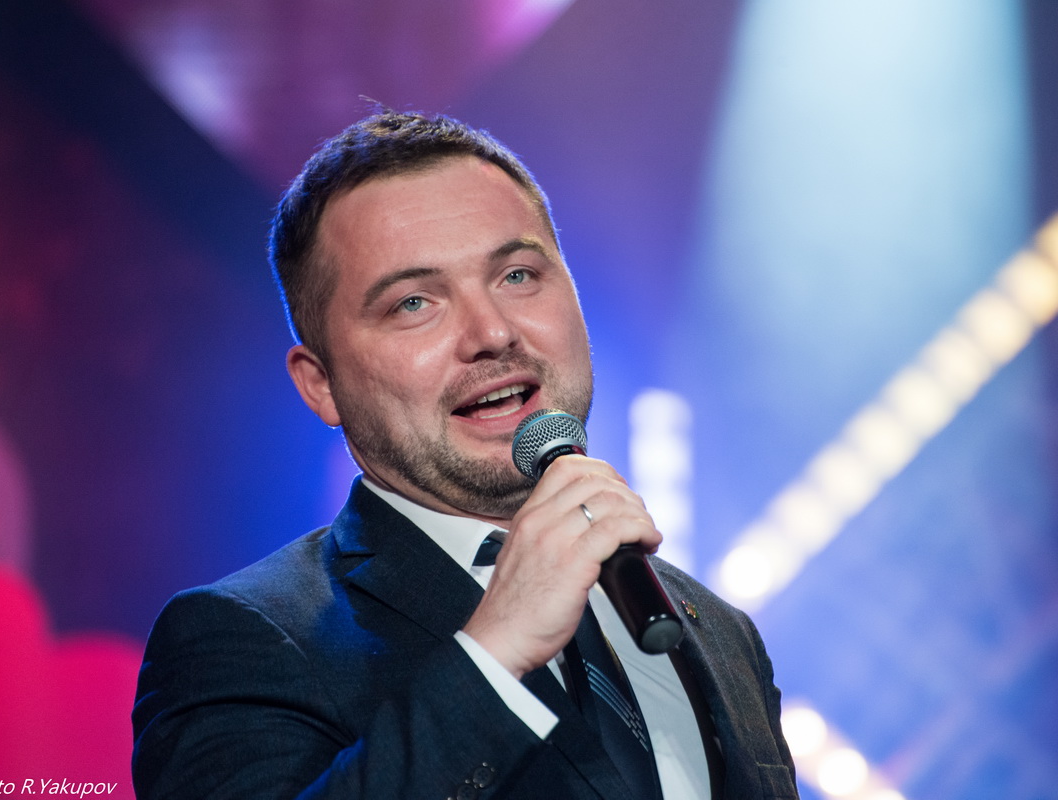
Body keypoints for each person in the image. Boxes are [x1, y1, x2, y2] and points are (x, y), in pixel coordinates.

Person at [131, 108, 799, 800]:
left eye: (517, 275)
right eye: (414, 303)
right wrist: (495, 653)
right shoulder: (242, 639)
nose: (492, 333)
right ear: (321, 384)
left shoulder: (718, 633)